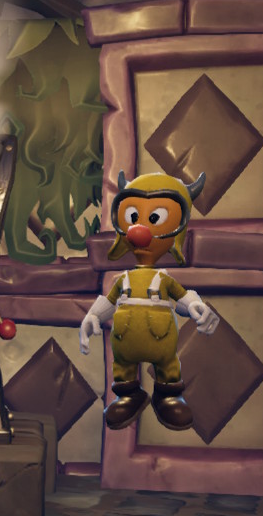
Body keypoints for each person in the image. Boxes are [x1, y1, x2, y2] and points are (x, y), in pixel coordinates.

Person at [79, 171, 219, 431]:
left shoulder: (163, 279)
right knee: (123, 367)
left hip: (161, 341)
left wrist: (194, 305)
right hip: (125, 343)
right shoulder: (124, 279)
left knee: (167, 364)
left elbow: (181, 297)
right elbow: (110, 301)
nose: (139, 229)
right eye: (133, 217)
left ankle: (167, 395)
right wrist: (92, 316)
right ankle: (128, 394)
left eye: (154, 218)